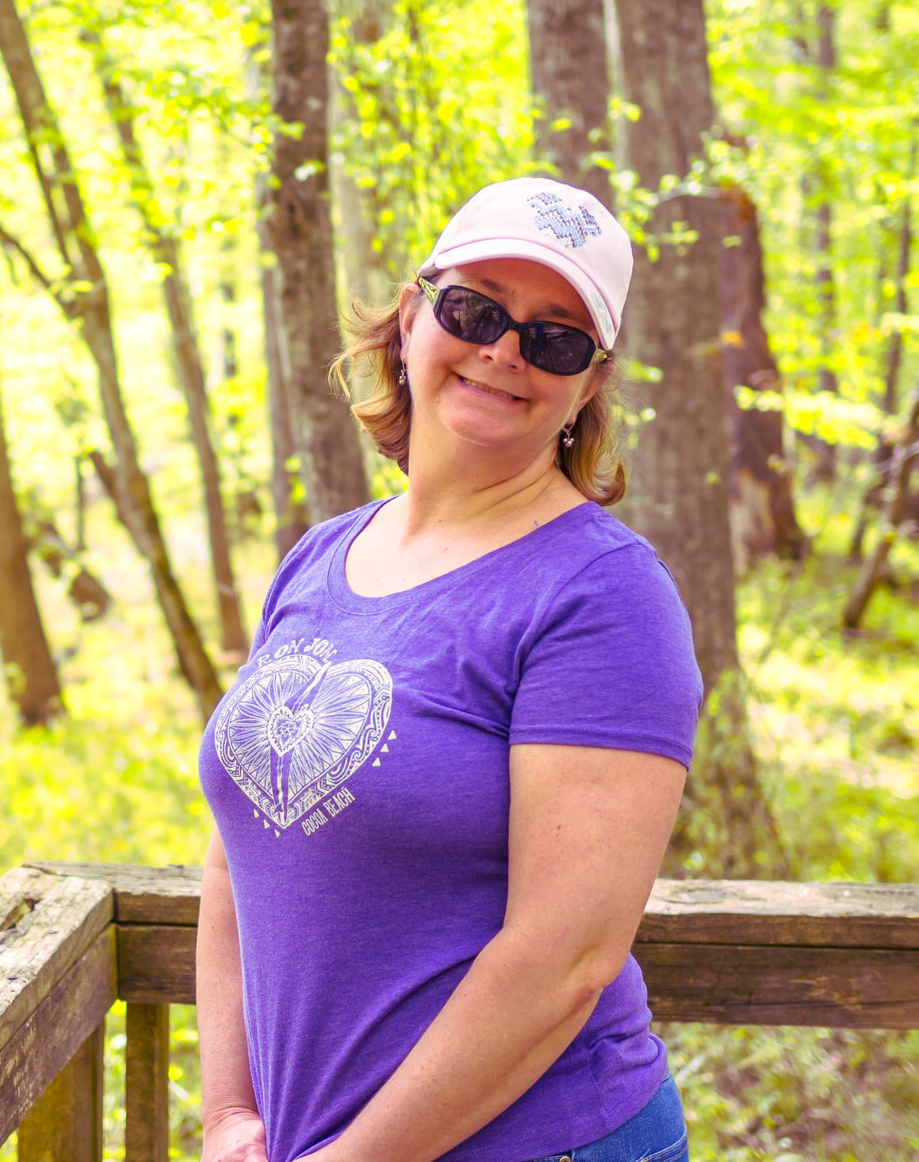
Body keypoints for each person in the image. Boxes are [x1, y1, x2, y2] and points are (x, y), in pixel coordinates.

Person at [196, 178, 704, 1162]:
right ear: (410, 316)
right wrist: (229, 1114)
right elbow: (232, 855)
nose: (506, 348)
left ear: (587, 384)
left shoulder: (603, 596)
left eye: (556, 338)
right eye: (477, 307)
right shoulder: (318, 556)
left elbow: (564, 961)